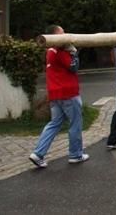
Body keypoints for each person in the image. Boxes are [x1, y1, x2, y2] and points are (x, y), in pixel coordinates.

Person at [29, 25, 88, 168]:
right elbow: (73, 66)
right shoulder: (60, 51)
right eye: (62, 33)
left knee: (54, 123)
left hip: (54, 93)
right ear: (56, 36)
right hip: (68, 92)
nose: (65, 35)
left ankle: (38, 153)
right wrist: (73, 53)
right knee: (75, 122)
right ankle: (75, 154)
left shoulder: (50, 51)